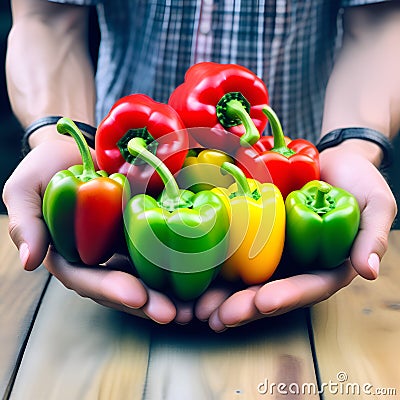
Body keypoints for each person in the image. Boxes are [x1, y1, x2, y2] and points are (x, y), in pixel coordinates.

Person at [2, 0, 398, 332]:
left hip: (300, 173)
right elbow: (46, 17)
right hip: (119, 176)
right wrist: (55, 137)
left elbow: (380, 20)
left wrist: (353, 146)